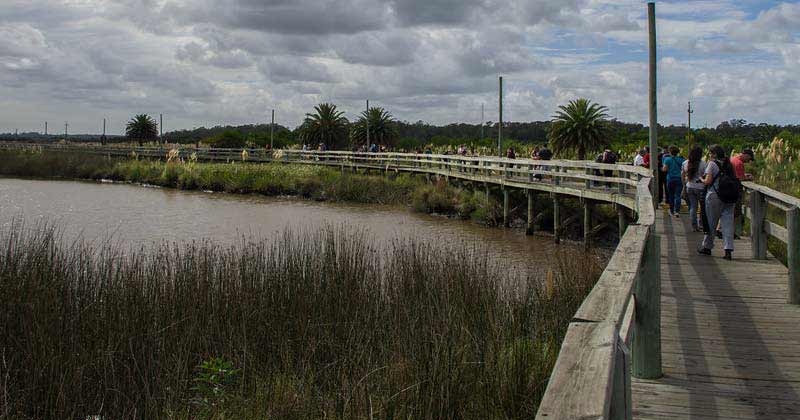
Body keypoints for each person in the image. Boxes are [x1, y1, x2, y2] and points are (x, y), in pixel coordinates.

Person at [699, 145, 736, 260]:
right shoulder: (729, 164)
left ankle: (707, 247)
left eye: (710, 153)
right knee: (727, 224)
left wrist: (701, 179)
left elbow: (708, 181)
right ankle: (728, 250)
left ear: (714, 154)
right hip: (729, 197)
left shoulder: (712, 164)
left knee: (711, 222)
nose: (709, 155)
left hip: (714, 196)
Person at [682, 146, 707, 232]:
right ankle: (701, 224)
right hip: (700, 187)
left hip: (689, 186)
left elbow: (682, 175)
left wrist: (684, 186)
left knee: (693, 207)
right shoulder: (703, 164)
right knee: (703, 207)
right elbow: (706, 176)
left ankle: (694, 226)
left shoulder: (685, 163)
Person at [662, 146, 686, 217]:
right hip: (679, 179)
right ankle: (677, 211)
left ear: (670, 152)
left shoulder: (667, 159)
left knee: (671, 195)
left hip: (670, 179)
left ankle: (672, 211)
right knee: (678, 195)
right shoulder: (682, 160)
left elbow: (665, 169)